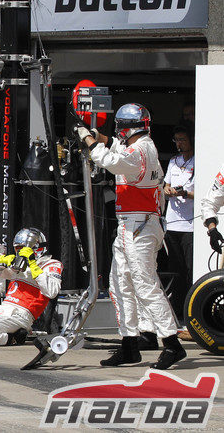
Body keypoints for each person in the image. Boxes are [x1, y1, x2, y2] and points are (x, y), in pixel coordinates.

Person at [77, 103, 186, 369]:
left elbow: (110, 161)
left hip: (140, 227)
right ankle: (130, 344)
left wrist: (89, 140)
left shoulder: (139, 150)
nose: (118, 134)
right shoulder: (139, 146)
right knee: (119, 284)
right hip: (131, 225)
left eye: (120, 129)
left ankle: (172, 344)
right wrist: (99, 137)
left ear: (127, 128)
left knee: (145, 285)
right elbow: (116, 148)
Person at [0, 227, 62, 346]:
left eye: (23, 249)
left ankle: (10, 338)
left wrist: (33, 265)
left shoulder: (52, 264)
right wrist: (1, 260)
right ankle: (13, 335)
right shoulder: (18, 265)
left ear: (36, 248)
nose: (19, 252)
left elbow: (52, 292)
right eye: (17, 249)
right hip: (3, 309)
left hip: (21, 315)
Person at [162, 125, 194, 320]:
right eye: (177, 140)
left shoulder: (199, 161)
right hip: (172, 223)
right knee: (175, 269)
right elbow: (166, 184)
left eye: (183, 139)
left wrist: (185, 193)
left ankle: (192, 309)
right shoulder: (173, 161)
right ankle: (177, 309)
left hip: (190, 224)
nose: (179, 144)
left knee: (190, 268)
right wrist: (167, 190)